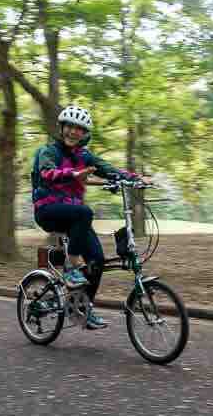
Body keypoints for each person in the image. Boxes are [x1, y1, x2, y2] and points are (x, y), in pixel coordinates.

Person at [31, 105, 152, 329]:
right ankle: (72, 264)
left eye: (79, 129)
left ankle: (82, 310)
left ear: (85, 134)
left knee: (97, 260)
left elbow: (107, 168)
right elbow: (47, 173)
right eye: (70, 126)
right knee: (85, 212)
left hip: (74, 216)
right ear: (62, 128)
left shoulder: (84, 156)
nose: (74, 132)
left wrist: (135, 178)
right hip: (48, 210)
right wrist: (74, 174)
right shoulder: (49, 151)